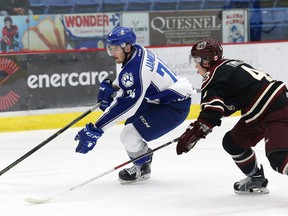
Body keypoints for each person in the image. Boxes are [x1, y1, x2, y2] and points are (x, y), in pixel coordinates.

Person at [74, 26, 194, 184]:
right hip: (160, 100)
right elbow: (131, 81)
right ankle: (143, 156)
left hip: (174, 107)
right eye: (110, 48)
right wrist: (114, 86)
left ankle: (142, 166)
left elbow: (127, 105)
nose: (112, 53)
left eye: (115, 48)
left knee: (129, 135)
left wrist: (97, 128)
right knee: (130, 124)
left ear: (127, 46)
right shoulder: (137, 52)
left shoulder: (137, 67)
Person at [176, 38, 288, 194]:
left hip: (275, 110)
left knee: (279, 158)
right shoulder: (229, 65)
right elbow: (225, 106)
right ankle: (256, 178)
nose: (195, 65)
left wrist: (195, 132)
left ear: (207, 60)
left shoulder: (213, 76)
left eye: (197, 59)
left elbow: (212, 112)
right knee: (233, 142)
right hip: (262, 111)